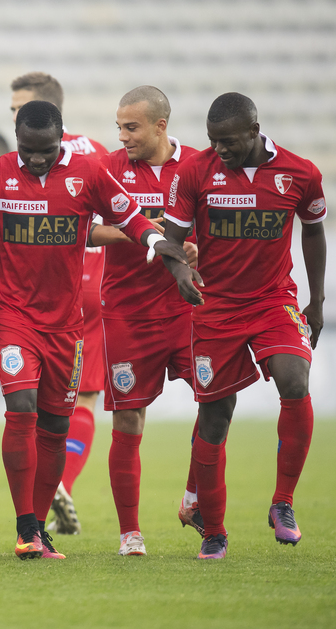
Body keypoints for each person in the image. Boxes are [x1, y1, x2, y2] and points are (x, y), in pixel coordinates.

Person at [0, 100, 190, 561]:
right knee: (22, 406)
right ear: (17, 140)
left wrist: (163, 247)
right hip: (14, 316)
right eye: (28, 150)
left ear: (61, 138)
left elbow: (132, 219)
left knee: (56, 425)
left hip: (66, 325)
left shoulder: (88, 173)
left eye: (46, 150)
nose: (36, 159)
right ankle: (25, 527)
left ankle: (37, 528)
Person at [161, 92, 326, 559]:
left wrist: (318, 300)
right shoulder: (196, 172)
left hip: (274, 300)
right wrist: (180, 275)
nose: (220, 150)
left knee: (295, 379)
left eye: (229, 142)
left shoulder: (300, 173)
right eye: (214, 141)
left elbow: (313, 230)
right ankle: (214, 532)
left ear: (254, 131)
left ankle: (283, 504)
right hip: (215, 308)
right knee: (216, 415)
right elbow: (170, 239)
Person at [88, 86, 200, 555]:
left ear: (160, 126)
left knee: (215, 404)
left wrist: (195, 249)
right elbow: (85, 229)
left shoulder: (197, 166)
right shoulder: (108, 170)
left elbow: (215, 226)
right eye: (118, 126)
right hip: (127, 312)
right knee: (129, 419)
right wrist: (141, 235)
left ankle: (196, 497)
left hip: (189, 307)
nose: (122, 136)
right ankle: (129, 534)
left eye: (130, 127)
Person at [10, 72, 109, 534]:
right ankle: (62, 482)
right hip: (94, 285)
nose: (13, 116)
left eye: (18, 109)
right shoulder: (100, 154)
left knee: (33, 399)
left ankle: (51, 489)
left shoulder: (28, 160)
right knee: (82, 397)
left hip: (53, 285)